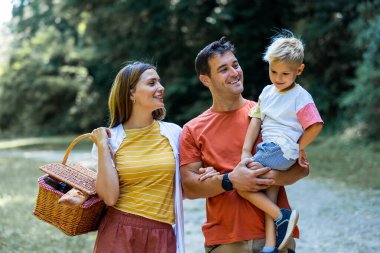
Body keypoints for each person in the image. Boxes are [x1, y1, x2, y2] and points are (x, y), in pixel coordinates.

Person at [180, 37, 309, 253]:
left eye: (235, 65)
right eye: (223, 69)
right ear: (206, 80)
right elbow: (189, 187)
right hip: (226, 242)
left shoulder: (270, 112)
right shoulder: (193, 129)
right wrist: (229, 180)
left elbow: (302, 168)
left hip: (277, 241)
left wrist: (261, 177)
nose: (234, 72)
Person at [240, 31, 324, 253]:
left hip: (280, 149)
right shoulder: (267, 92)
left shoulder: (300, 96)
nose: (278, 77)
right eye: (273, 70)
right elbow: (256, 120)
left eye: (285, 73)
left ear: (299, 70)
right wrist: (246, 151)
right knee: (270, 193)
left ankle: (283, 216)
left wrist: (299, 147)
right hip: (273, 150)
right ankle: (270, 245)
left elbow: (315, 125)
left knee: (243, 183)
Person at [90, 62, 185, 253]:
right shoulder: (110, 139)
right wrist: (102, 147)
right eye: (152, 83)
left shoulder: (175, 133)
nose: (161, 88)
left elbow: (189, 179)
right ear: (131, 93)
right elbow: (109, 197)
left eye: (159, 82)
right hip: (119, 233)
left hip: (162, 234)